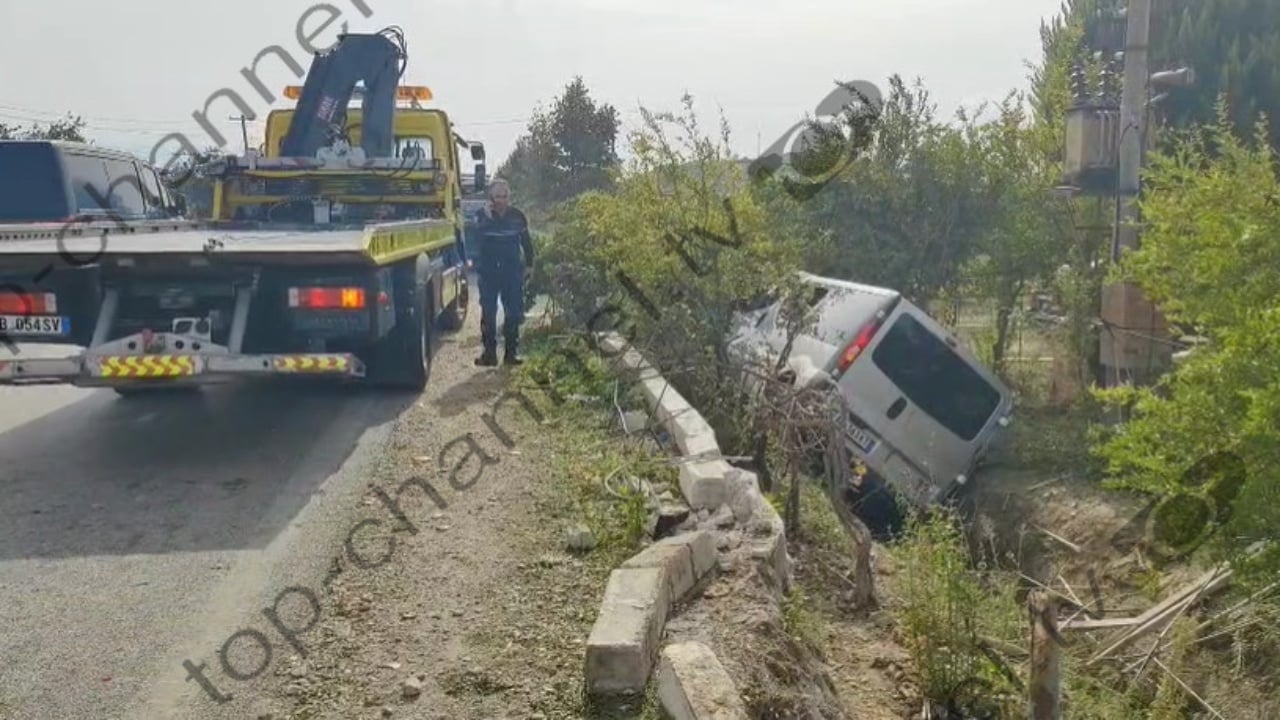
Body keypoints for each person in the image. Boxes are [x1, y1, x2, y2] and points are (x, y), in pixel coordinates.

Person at [471, 178, 535, 366]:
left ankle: (511, 354)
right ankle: (489, 354)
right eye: (498, 196)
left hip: (512, 270)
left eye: (505, 196)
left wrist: (530, 265)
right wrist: (487, 217)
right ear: (491, 197)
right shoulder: (481, 216)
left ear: (510, 197)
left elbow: (527, 242)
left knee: (513, 312)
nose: (501, 200)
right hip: (489, 271)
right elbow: (475, 239)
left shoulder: (517, 216)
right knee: (489, 313)